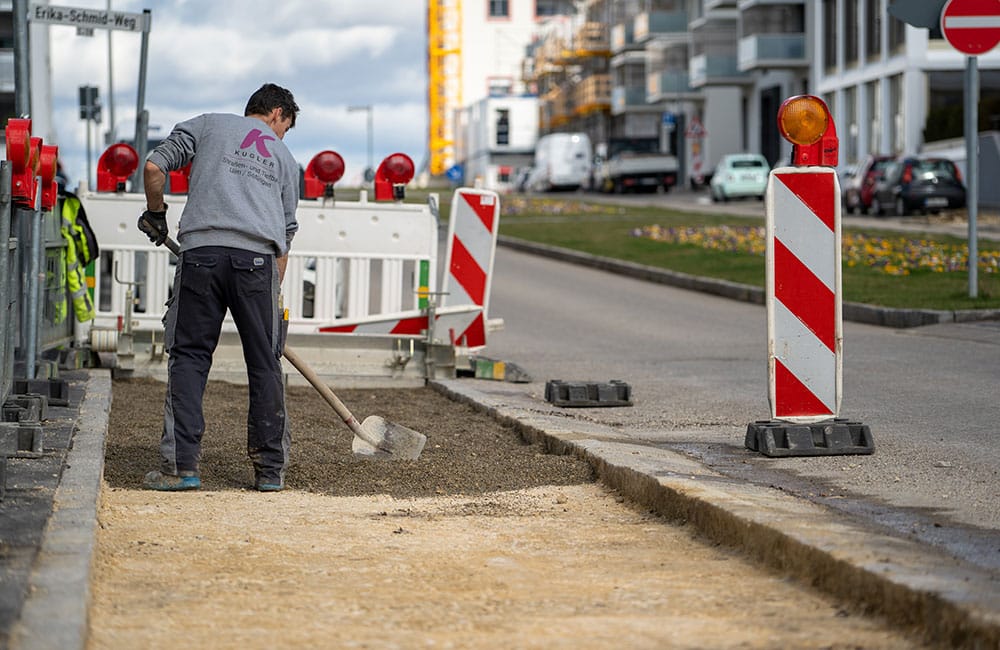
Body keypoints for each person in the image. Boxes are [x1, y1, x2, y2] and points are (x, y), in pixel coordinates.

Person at [138, 83, 300, 492]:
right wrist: (267, 294)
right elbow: (286, 234)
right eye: (285, 128)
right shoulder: (284, 157)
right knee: (265, 362)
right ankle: (269, 472)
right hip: (258, 263)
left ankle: (182, 468)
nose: (278, 138)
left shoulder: (207, 125)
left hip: (202, 256)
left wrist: (156, 214)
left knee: (190, 357)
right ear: (277, 113)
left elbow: (155, 168)